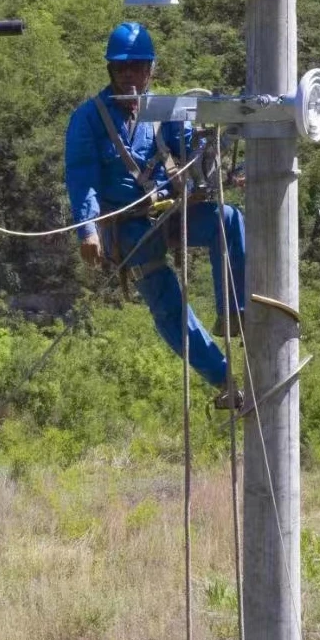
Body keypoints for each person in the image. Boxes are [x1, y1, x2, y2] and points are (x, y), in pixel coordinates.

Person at [64, 22, 247, 407]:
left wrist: (221, 164)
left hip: (169, 211)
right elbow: (84, 178)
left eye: (138, 67)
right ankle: (222, 378)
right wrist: (89, 232)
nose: (130, 76)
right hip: (127, 227)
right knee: (167, 302)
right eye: (122, 68)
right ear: (110, 71)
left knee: (227, 220)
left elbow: (193, 149)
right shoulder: (90, 118)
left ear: (150, 70)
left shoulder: (165, 110)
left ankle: (236, 312)